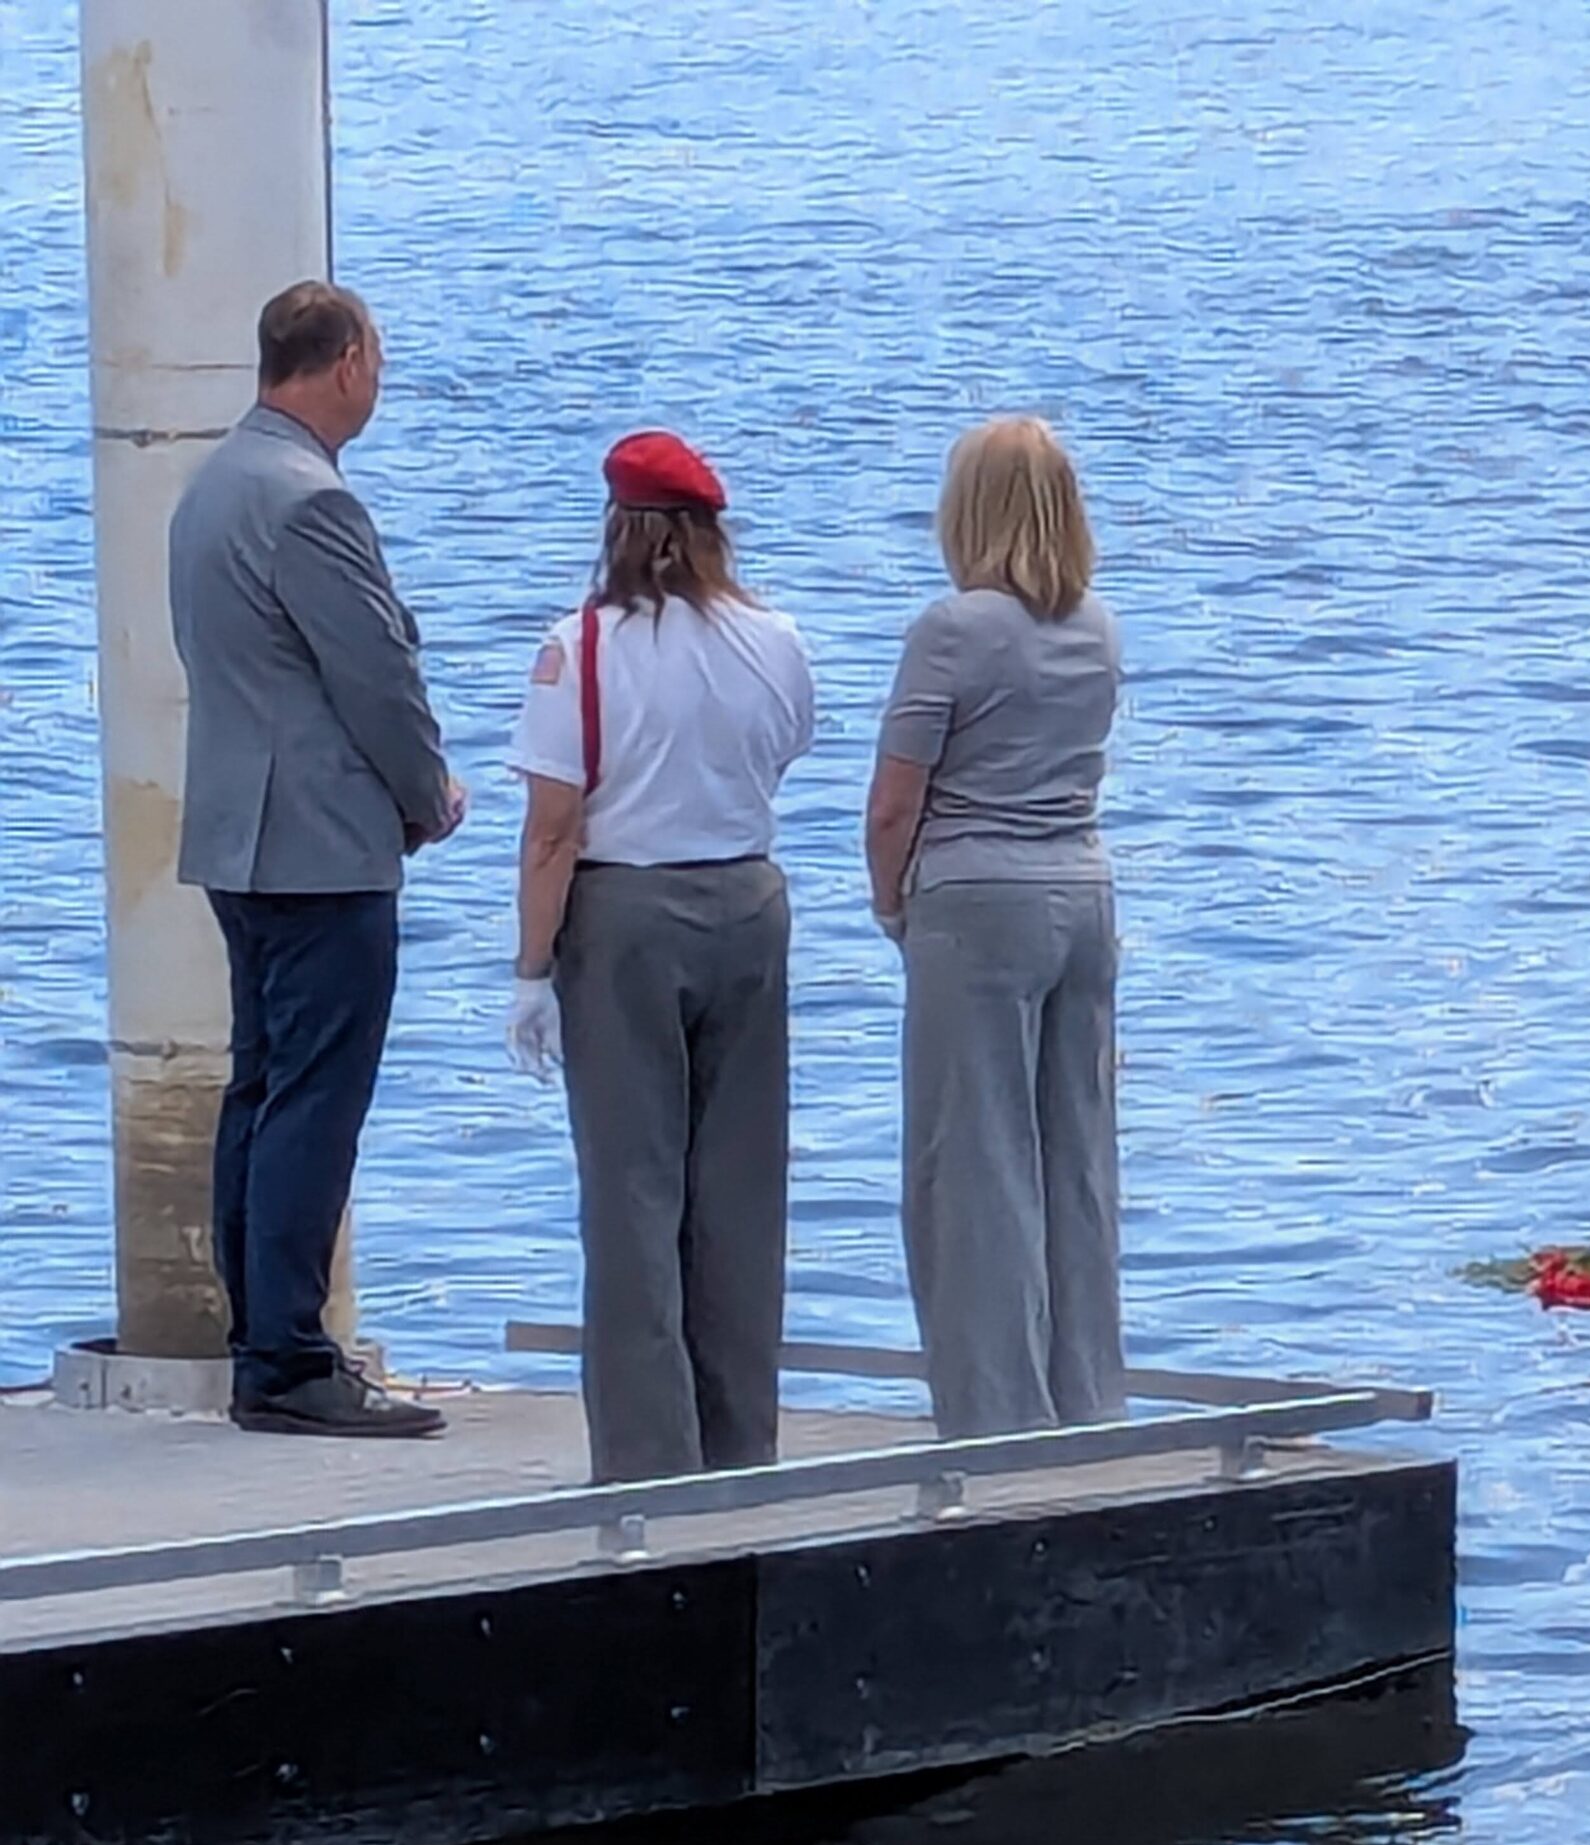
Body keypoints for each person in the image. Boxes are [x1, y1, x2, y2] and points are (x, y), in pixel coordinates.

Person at [169, 280, 462, 1441]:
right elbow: (374, 674)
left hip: (239, 836)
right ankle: (289, 1355)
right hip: (318, 845)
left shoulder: (211, 487)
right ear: (343, 362)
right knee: (314, 1100)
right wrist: (427, 793)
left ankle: (260, 1338)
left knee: (260, 1086)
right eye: (375, 361)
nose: (378, 383)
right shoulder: (311, 505)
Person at [504, 430, 815, 1485]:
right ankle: (741, 1443)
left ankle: (647, 1457)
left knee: (633, 1196)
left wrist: (530, 971)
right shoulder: (776, 639)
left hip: (625, 916)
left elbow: (554, 829)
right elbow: (783, 753)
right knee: (740, 1192)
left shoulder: (577, 649)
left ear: (619, 530)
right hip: (748, 901)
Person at [866, 416, 1126, 1440]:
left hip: (974, 898)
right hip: (1082, 892)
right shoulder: (1098, 626)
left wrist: (892, 902)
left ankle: (994, 1412)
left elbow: (895, 802)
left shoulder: (952, 628)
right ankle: (1088, 1394)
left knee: (971, 1162)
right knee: (1076, 1155)